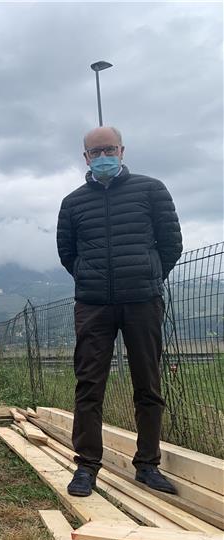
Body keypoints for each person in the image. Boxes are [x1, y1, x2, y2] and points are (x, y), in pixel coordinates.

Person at [56, 126, 182, 497]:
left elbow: (171, 243)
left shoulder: (152, 190)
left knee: (148, 383)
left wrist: (148, 273)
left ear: (122, 150)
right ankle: (86, 467)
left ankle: (147, 465)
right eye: (95, 152)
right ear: (85, 157)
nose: (102, 157)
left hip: (142, 300)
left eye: (108, 149)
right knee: (89, 385)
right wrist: (88, 277)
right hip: (93, 304)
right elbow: (68, 254)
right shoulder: (73, 203)